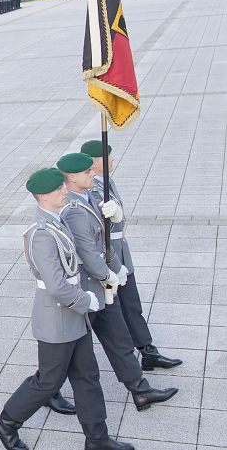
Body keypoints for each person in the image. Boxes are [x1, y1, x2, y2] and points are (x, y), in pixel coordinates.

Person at [0, 168, 131, 450]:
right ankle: (6, 422)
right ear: (43, 196)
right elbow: (55, 285)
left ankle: (97, 439)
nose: (64, 190)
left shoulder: (57, 221)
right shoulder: (40, 233)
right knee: (48, 381)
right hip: (57, 318)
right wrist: (86, 301)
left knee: (87, 377)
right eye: (58, 190)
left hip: (74, 316)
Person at [56, 153, 178, 411]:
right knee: (65, 352)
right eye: (88, 172)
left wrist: (116, 268)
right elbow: (89, 252)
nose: (93, 175)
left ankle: (140, 390)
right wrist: (108, 274)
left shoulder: (89, 197)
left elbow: (106, 239)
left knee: (119, 339)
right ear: (73, 177)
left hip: (102, 289)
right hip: (88, 292)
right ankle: (45, 390)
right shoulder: (75, 210)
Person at [80, 141, 181, 371]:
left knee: (131, 304)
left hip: (119, 253)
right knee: (86, 324)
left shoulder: (106, 181)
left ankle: (147, 350)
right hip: (106, 257)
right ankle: (49, 379)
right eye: (107, 157)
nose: (112, 160)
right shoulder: (92, 189)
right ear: (92, 162)